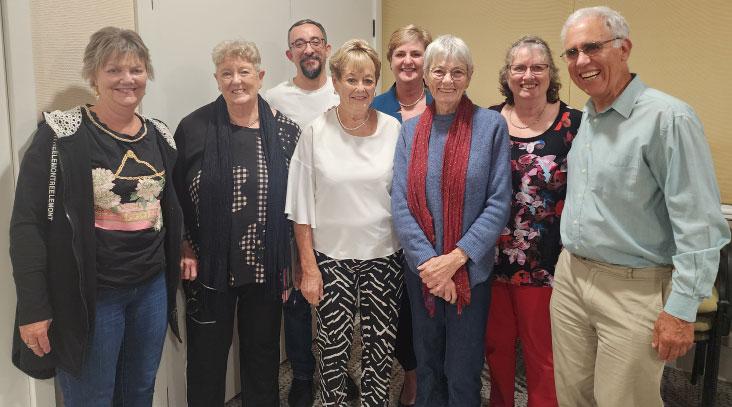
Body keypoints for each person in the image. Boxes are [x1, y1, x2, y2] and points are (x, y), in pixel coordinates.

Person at [551, 6, 731, 407]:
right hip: (572, 279)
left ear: (624, 48)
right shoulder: (589, 116)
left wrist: (681, 311)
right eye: (572, 52)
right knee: (573, 398)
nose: (581, 61)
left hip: (632, 289)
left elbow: (700, 225)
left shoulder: (669, 119)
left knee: (624, 400)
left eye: (592, 47)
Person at [9, 27, 182, 406]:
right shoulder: (62, 135)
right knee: (92, 398)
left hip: (150, 289)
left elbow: (170, 207)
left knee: (140, 391)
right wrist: (34, 308)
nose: (127, 79)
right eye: (113, 70)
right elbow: (26, 226)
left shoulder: (159, 135)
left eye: (136, 69)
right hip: (92, 297)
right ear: (93, 75)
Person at [173, 39, 299, 406]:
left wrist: (294, 258)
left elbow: (298, 200)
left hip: (266, 266)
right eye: (226, 73)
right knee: (206, 360)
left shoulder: (286, 130)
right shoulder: (193, 127)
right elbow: (173, 195)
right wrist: (183, 244)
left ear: (260, 76)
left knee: (262, 355)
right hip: (208, 266)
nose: (236, 80)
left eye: (244, 72)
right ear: (216, 79)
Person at [391, 34, 511, 407]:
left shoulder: (491, 126)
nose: (447, 80)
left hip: (470, 273)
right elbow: (400, 203)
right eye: (439, 71)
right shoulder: (410, 131)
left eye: (457, 72)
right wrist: (432, 266)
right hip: (423, 274)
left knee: (463, 370)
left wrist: (455, 260)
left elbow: (498, 202)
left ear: (469, 76)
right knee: (427, 366)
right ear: (426, 75)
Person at [285, 39, 402, 407]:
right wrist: (308, 268)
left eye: (368, 80)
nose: (360, 88)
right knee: (333, 348)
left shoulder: (393, 130)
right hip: (331, 258)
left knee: (380, 349)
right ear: (335, 81)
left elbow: (404, 196)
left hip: (384, 256)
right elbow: (300, 207)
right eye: (351, 79)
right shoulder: (315, 132)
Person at [485, 35, 580, 407]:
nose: (528, 75)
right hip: (490, 260)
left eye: (538, 67)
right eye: (519, 67)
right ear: (507, 75)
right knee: (495, 351)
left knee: (543, 356)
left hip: (547, 264)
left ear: (551, 73)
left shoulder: (574, 125)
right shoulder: (487, 121)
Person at [261, 19, 352, 407]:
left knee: (339, 301)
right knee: (296, 300)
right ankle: (302, 374)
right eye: (299, 43)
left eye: (316, 41)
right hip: (291, 211)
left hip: (338, 211)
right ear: (289, 54)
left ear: (328, 49)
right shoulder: (273, 99)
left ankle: (339, 371)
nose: (309, 49)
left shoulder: (344, 90)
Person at [371, 23, 432, 407]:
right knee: (397, 313)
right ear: (390, 60)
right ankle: (411, 376)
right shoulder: (375, 106)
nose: (408, 61)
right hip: (387, 227)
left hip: (435, 228)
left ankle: (434, 378)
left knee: (431, 310)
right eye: (400, 54)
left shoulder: (446, 102)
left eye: (416, 53)